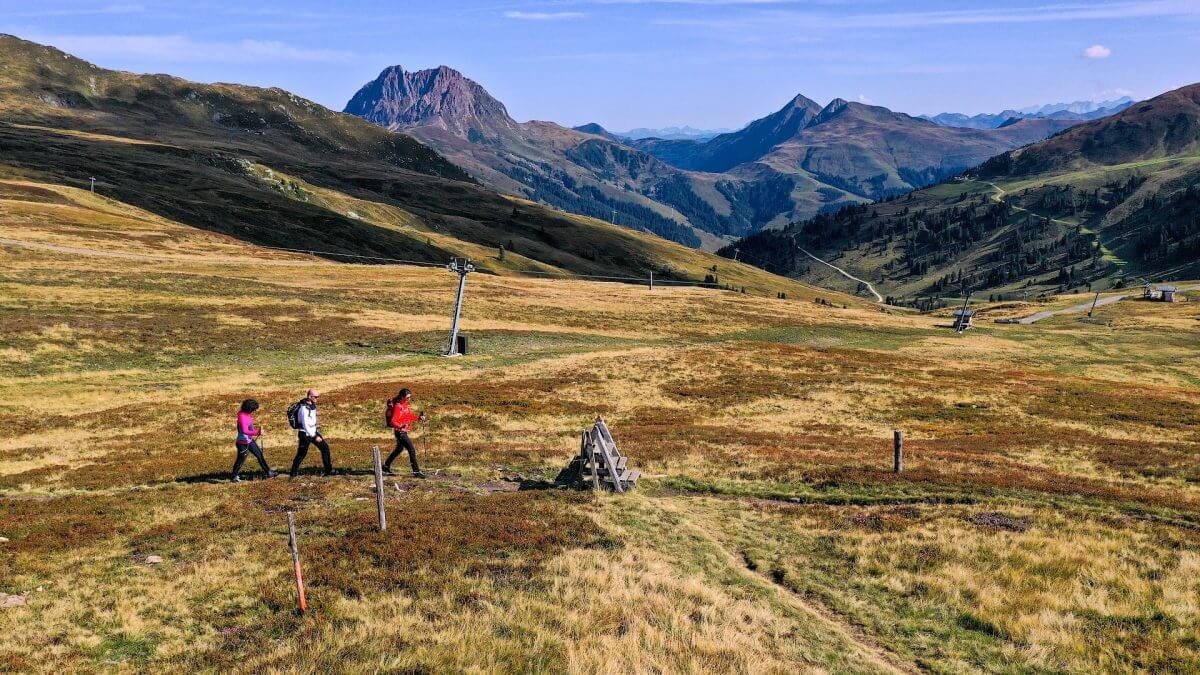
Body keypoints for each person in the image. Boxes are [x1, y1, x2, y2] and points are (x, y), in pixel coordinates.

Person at [290, 389, 335, 477]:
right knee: (301, 454)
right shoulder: (304, 408)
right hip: (305, 434)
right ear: (309, 396)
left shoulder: (312, 405)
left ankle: (328, 471)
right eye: (315, 397)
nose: (317, 399)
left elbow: (311, 421)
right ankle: (293, 473)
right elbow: (305, 424)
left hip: (313, 431)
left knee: (325, 448)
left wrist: (315, 430)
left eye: (318, 397)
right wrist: (314, 436)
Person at [384, 388, 427, 478]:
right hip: (400, 432)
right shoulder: (398, 407)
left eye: (410, 397)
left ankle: (386, 466)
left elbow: (408, 416)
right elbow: (392, 421)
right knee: (411, 449)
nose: (409, 399)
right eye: (407, 398)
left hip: (403, 431)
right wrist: (400, 427)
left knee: (399, 449)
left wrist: (418, 418)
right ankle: (416, 472)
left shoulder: (405, 405)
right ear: (402, 397)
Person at [233, 399, 276, 482]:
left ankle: (269, 472)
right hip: (242, 443)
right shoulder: (242, 417)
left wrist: (255, 431)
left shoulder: (246, 414)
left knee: (259, 455)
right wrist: (257, 432)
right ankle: (234, 476)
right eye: (254, 409)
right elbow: (244, 431)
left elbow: (249, 428)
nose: (254, 411)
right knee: (240, 460)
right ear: (249, 408)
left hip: (249, 440)